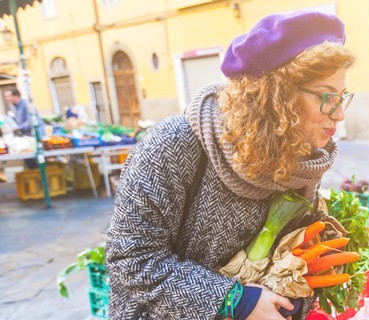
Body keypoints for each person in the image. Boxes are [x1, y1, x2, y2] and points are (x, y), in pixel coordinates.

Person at [106, 11, 354, 320]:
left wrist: (292, 299)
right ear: (279, 94)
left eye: (343, 97)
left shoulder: (303, 161)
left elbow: (287, 261)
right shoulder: (174, 143)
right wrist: (233, 301)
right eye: (326, 96)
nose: (339, 114)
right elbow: (132, 259)